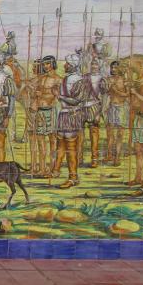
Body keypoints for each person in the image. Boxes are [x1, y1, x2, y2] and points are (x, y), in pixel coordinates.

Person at [51, 51, 86, 188]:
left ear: (73, 66)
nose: (64, 65)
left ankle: (73, 177)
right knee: (61, 145)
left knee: (71, 148)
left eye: (67, 64)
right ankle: (56, 170)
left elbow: (76, 100)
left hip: (72, 115)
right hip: (64, 115)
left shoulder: (79, 80)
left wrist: (59, 96)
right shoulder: (67, 78)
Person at [32, 55, 60, 177]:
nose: (45, 66)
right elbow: (36, 94)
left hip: (51, 111)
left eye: (48, 64)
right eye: (44, 64)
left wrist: (47, 95)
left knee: (53, 140)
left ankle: (52, 167)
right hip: (40, 111)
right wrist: (37, 95)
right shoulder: (41, 78)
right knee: (40, 139)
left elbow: (58, 96)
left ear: (53, 64)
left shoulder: (58, 79)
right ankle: (42, 168)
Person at [101, 61, 129, 167]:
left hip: (121, 108)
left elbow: (127, 95)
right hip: (111, 107)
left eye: (115, 68)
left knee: (120, 135)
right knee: (110, 134)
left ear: (119, 69)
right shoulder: (108, 79)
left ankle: (117, 157)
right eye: (112, 67)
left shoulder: (124, 80)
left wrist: (116, 91)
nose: (113, 69)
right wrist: (106, 88)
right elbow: (104, 92)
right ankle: (109, 154)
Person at [80, 59, 103, 167]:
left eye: (96, 64)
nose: (94, 66)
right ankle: (79, 157)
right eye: (92, 64)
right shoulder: (84, 77)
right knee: (80, 133)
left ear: (99, 66)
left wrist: (99, 112)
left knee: (94, 134)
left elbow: (105, 96)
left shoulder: (102, 79)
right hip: (82, 106)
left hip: (94, 106)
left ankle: (94, 158)